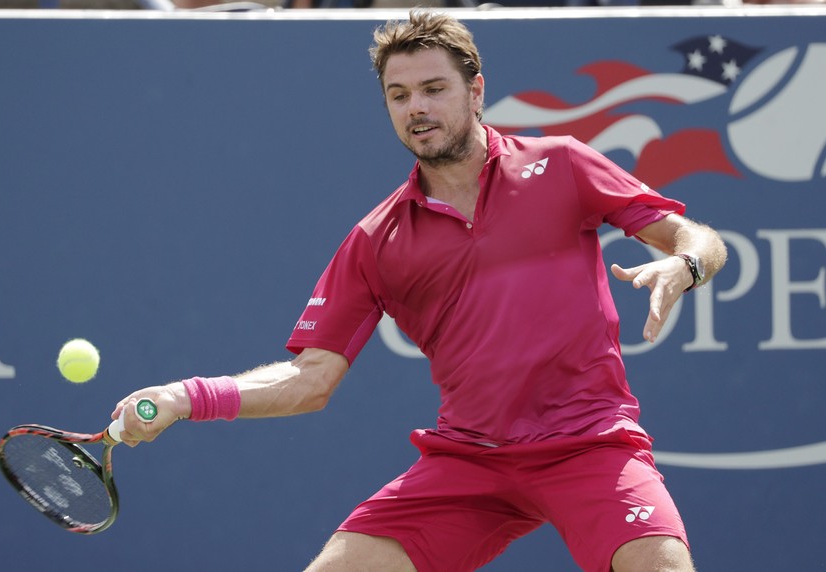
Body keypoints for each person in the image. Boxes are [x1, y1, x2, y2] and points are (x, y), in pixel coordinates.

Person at [112, 11, 726, 572]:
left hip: (590, 444)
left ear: (476, 91)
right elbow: (309, 380)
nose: (417, 109)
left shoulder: (562, 163)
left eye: (434, 89)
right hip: (470, 462)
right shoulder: (376, 239)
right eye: (399, 96)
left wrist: (686, 264)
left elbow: (696, 237)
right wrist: (183, 397)